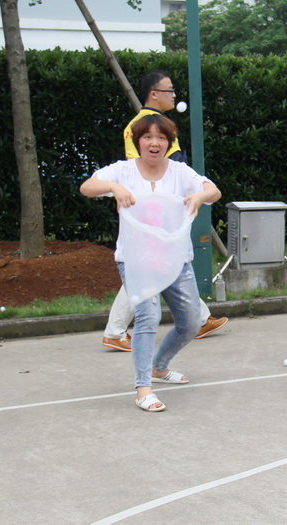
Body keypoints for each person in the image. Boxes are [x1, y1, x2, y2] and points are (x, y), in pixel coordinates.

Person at [81, 113, 222, 411]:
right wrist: (114, 188)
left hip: (175, 259)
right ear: (138, 141)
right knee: (147, 316)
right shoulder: (122, 171)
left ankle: (159, 367)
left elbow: (214, 191)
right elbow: (87, 187)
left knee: (191, 322)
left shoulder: (180, 172)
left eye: (161, 138)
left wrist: (199, 197)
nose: (154, 143)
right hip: (136, 260)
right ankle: (143, 388)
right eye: (148, 137)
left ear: (169, 143)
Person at [102, 69, 228, 352]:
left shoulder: (146, 124)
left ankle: (199, 318)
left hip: (156, 209)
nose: (173, 95)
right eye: (169, 90)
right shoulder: (151, 127)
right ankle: (117, 331)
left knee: (155, 266)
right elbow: (157, 169)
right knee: (148, 267)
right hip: (154, 211)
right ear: (154, 93)